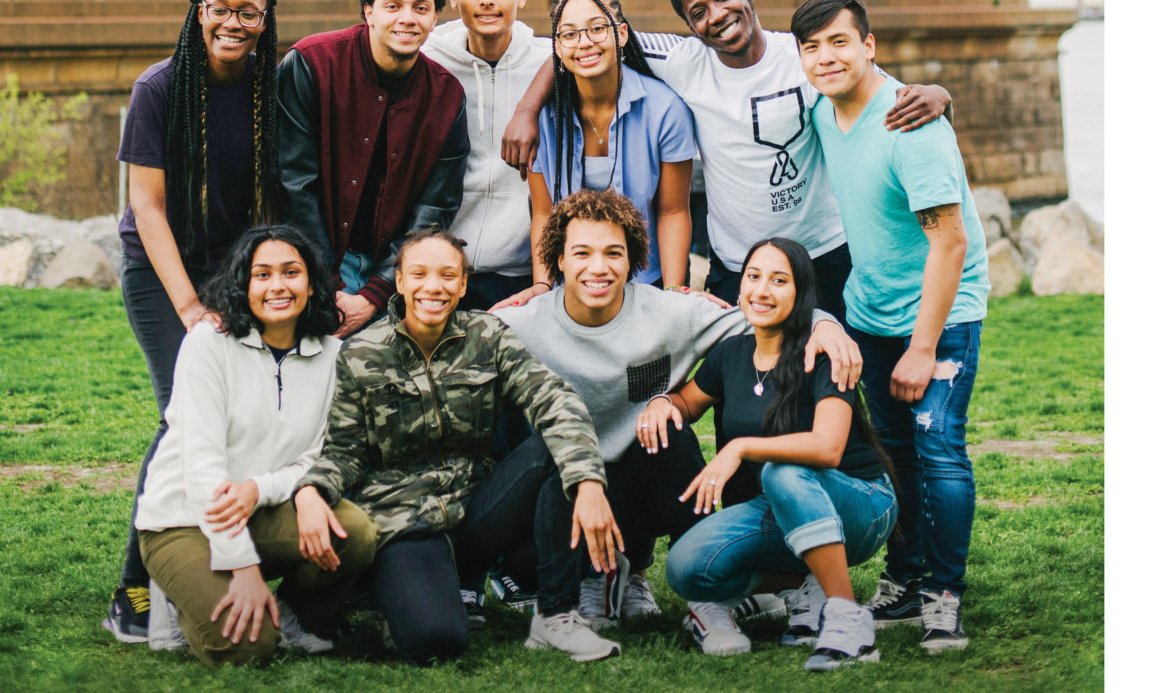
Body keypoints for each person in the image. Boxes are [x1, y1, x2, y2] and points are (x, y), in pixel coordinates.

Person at [500, 0, 952, 326]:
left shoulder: (801, 56)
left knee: (834, 382)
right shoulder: (681, 61)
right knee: (741, 392)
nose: (716, 15)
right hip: (737, 263)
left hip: (823, 250)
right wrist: (526, 111)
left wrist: (936, 94)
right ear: (690, 26)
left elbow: (871, 88)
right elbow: (584, 43)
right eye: (698, 13)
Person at [494, 190, 860, 635]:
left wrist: (824, 321)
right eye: (582, 253)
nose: (598, 267)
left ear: (633, 261)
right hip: (566, 487)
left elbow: (765, 314)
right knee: (523, 563)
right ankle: (601, 576)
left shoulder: (671, 313)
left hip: (643, 474)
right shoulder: (524, 322)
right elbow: (459, 343)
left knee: (671, 429)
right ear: (559, 260)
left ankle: (703, 597)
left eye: (614, 253)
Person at [292, 228, 625, 665]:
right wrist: (312, 491)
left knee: (552, 452)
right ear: (401, 280)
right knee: (436, 643)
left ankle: (556, 615)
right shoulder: (361, 353)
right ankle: (391, 593)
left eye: (448, 275)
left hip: (476, 511)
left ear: (463, 284)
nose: (435, 286)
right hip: (404, 521)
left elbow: (553, 398)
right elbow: (344, 449)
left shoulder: (486, 334)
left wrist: (588, 482)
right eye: (421, 274)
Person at [792, 0, 990, 653]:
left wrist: (923, 346)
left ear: (869, 45)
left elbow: (951, 243)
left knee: (938, 448)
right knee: (895, 452)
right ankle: (905, 583)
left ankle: (944, 596)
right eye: (811, 47)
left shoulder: (912, 124)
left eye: (839, 42)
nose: (826, 58)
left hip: (943, 313)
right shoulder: (823, 112)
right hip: (872, 312)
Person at [104, 0, 283, 643]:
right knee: (184, 416)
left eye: (250, 13)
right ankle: (132, 587)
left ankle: (213, 562)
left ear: (265, 22)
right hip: (161, 269)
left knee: (235, 418)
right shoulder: (159, 87)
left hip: (237, 268)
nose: (234, 23)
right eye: (222, 8)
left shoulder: (274, 83)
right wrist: (185, 305)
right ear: (198, 9)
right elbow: (146, 209)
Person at [133, 224, 378, 667]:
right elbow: (203, 471)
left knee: (354, 533)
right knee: (247, 650)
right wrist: (242, 566)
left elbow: (315, 456)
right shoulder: (208, 344)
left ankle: (298, 616)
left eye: (291, 272)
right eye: (261, 274)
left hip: (261, 510)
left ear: (311, 282)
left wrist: (267, 491)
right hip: (184, 519)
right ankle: (176, 599)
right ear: (242, 284)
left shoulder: (333, 356)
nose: (278, 286)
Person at [652, 237, 898, 670]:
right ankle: (800, 584)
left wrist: (741, 448)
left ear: (801, 292)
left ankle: (846, 616)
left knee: (782, 470)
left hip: (860, 505)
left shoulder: (823, 352)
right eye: (753, 277)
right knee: (686, 568)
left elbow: (828, 447)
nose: (762, 290)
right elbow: (688, 403)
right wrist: (662, 403)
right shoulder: (730, 353)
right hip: (777, 507)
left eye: (779, 280)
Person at [278, 0, 470, 338]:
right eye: (393, 5)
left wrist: (377, 291)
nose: (407, 18)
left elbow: (435, 206)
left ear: (435, 17)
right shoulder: (312, 63)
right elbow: (293, 183)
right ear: (369, 12)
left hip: (396, 271)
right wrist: (327, 281)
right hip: (310, 260)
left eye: (421, 7)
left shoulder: (447, 95)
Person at [509, 0, 696, 307]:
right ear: (556, 46)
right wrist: (542, 284)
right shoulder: (543, 118)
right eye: (569, 34)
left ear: (621, 34)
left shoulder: (665, 109)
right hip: (570, 287)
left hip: (645, 282)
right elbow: (543, 213)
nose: (584, 43)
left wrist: (672, 295)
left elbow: (672, 211)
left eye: (597, 29)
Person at [421, 0, 548, 312]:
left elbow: (598, 47)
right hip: (444, 263)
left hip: (522, 267)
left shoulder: (549, 59)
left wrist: (528, 106)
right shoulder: (428, 60)